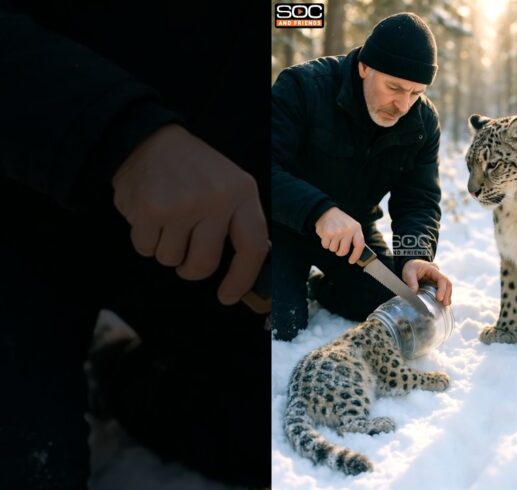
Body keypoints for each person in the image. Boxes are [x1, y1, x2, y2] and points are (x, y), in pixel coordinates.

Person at [0, 1, 271, 488]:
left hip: (200, 237)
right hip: (25, 181)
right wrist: (118, 133)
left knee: (282, 415)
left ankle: (116, 367)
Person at [270, 12, 454, 341]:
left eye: (415, 92)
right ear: (364, 67)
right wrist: (319, 210)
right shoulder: (302, 87)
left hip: (355, 238)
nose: (403, 105)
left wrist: (416, 256)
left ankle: (322, 288)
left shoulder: (422, 122)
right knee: (284, 326)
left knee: (396, 307)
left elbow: (419, 200)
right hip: (284, 226)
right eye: (394, 87)